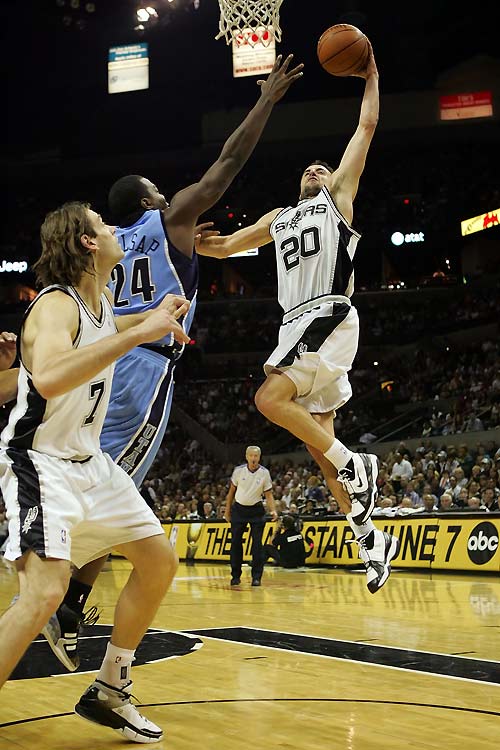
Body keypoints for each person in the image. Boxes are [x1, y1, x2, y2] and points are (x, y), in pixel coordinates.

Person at [43, 53, 304, 671]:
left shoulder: (104, 248)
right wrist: (265, 101)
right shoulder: (168, 220)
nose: (168, 196)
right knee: (115, 485)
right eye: (160, 193)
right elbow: (227, 165)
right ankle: (59, 599)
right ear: (148, 199)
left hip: (99, 362)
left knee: (102, 475)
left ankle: (68, 600)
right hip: (144, 368)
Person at [198, 42, 399, 594]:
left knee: (268, 400)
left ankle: (358, 466)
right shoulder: (279, 217)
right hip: (296, 325)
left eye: (322, 166)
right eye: (309, 168)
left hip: (326, 315)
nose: (315, 168)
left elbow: (367, 126)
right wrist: (197, 243)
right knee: (321, 453)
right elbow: (230, 245)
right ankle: (371, 539)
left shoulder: (338, 198)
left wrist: (370, 74)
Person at [0, 202, 190, 742]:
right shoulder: (55, 305)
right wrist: (138, 334)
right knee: (44, 592)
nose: (112, 229)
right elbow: (51, 376)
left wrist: (154, 317)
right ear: (87, 243)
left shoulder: (99, 303)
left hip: (92, 463)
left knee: (158, 561)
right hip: (41, 461)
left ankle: (110, 687)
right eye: (102, 225)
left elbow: (114, 326)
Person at [225, 445, 277, 586]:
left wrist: (273, 510)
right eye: (251, 456)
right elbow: (231, 493)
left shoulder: (264, 473)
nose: (253, 459)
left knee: (257, 545)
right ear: (246, 457)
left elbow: (268, 494)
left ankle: (256, 577)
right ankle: (235, 575)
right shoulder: (238, 471)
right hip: (239, 510)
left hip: (256, 510)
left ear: (259, 457)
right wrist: (227, 511)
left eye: (256, 456)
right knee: (235, 543)